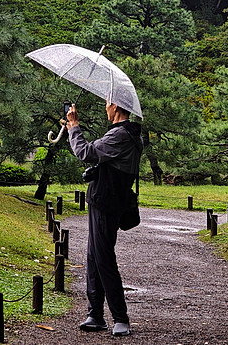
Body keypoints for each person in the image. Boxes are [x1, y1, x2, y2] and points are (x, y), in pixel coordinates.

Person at [64, 99, 143, 337]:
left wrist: (74, 127)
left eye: (107, 104)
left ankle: (120, 318)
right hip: (106, 200)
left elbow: (84, 152)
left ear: (116, 107)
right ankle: (95, 314)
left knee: (104, 258)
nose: (105, 108)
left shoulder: (121, 135)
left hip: (107, 202)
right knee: (94, 257)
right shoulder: (128, 134)